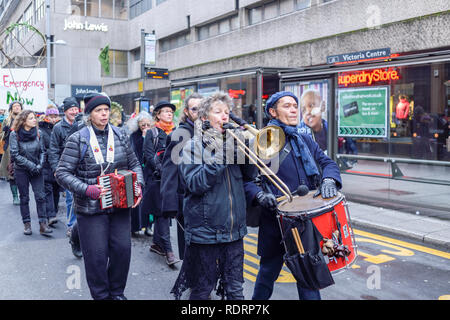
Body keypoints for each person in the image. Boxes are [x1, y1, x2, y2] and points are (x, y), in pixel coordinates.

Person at [244, 91, 342, 300]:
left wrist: (329, 179)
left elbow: (328, 164)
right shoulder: (264, 140)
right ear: (272, 111)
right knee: (267, 275)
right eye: (287, 106)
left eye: (295, 106)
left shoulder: (304, 138)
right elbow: (247, 180)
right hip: (276, 220)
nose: (293, 110)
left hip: (304, 221)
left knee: (308, 277)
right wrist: (260, 196)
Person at [55, 93, 144, 300]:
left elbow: (135, 165)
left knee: (122, 252)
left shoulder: (120, 134)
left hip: (120, 205)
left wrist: (138, 185)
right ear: (89, 115)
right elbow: (61, 173)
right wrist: (87, 189)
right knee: (96, 257)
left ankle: (117, 293)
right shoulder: (78, 139)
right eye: (98, 111)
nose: (104, 114)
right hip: (91, 209)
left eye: (106, 110)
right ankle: (102, 296)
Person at [171, 92, 256, 300]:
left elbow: (250, 176)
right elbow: (195, 184)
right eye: (218, 112)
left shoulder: (234, 143)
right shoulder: (191, 146)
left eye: (227, 112)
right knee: (202, 290)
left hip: (233, 231)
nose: (224, 116)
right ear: (204, 118)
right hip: (205, 232)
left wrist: (248, 151)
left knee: (236, 290)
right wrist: (222, 154)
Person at [160, 93, 203, 260]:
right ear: (186, 111)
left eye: (203, 108)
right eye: (194, 109)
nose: (199, 112)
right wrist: (170, 204)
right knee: (191, 251)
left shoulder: (211, 131)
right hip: (187, 200)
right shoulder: (181, 134)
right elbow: (170, 169)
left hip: (208, 200)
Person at [142, 100, 179, 266]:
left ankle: (157, 244)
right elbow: (149, 156)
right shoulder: (152, 133)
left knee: (162, 213)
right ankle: (169, 251)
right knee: (162, 214)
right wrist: (163, 171)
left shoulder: (178, 132)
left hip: (173, 180)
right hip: (157, 180)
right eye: (165, 111)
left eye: (170, 111)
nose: (169, 113)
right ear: (158, 115)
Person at [9, 110, 52, 236]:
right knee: (24, 198)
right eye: (32, 118)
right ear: (23, 121)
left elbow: (43, 151)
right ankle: (27, 224)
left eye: (35, 118)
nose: (35, 120)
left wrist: (40, 165)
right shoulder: (14, 134)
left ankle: (43, 224)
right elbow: (15, 154)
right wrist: (32, 166)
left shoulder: (39, 133)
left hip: (37, 170)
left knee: (40, 196)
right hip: (21, 170)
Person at [48, 97, 80, 237]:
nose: (74, 111)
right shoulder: (58, 128)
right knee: (70, 198)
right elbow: (53, 150)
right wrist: (56, 168)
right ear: (65, 111)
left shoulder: (82, 124)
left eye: (76, 109)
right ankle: (72, 226)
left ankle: (83, 225)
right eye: (71, 109)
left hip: (82, 166)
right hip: (66, 167)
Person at [127, 110, 153, 235]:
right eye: (143, 125)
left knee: (149, 200)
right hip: (138, 170)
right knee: (137, 199)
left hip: (149, 171)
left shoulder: (153, 134)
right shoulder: (134, 136)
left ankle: (148, 226)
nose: (146, 127)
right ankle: (135, 226)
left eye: (148, 125)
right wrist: (143, 137)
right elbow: (135, 153)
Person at [40, 105, 61, 227]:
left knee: (56, 190)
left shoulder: (59, 128)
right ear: (46, 116)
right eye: (51, 116)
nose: (53, 119)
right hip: (46, 164)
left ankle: (54, 212)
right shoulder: (42, 129)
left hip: (58, 163)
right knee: (48, 190)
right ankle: (51, 215)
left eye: (55, 116)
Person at [0, 101, 23, 205]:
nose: (17, 108)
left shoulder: (25, 119)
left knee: (22, 173)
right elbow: (2, 136)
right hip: (10, 149)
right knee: (12, 172)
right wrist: (5, 131)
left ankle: (23, 194)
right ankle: (15, 196)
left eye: (19, 106)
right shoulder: (7, 120)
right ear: (11, 109)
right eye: (15, 106)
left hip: (23, 148)